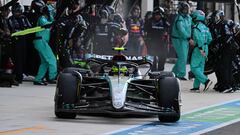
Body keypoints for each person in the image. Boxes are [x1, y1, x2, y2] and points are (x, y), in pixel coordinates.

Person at [33, 4, 57, 85]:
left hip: (41, 42)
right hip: (41, 41)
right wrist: (53, 22)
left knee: (45, 62)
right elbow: (47, 25)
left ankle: (38, 79)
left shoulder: (47, 19)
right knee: (52, 59)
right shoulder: (42, 18)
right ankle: (52, 78)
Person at [8, 2, 32, 83]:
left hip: (24, 40)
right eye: (16, 11)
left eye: (19, 11)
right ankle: (17, 76)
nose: (18, 13)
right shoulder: (10, 19)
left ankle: (21, 73)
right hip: (15, 41)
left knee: (23, 57)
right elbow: (12, 29)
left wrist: (24, 30)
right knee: (17, 58)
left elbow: (29, 27)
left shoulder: (24, 18)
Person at [189, 10, 212, 92]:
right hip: (206, 48)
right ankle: (196, 87)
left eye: (194, 16)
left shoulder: (196, 27)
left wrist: (200, 48)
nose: (192, 18)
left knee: (194, 67)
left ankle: (206, 81)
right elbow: (210, 39)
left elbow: (199, 39)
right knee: (200, 68)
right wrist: (204, 48)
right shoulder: (206, 28)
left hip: (199, 49)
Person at [171, 1, 192, 80]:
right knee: (182, 57)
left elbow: (191, 27)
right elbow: (181, 30)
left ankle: (173, 72)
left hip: (185, 40)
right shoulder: (179, 19)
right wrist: (188, 38)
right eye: (184, 9)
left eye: (187, 9)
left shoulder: (188, 18)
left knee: (182, 57)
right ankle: (180, 74)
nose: (186, 11)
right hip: (178, 39)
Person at [144, 7, 170, 71]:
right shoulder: (150, 21)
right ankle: (153, 71)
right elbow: (145, 30)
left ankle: (160, 71)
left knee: (162, 58)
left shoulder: (164, 21)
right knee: (153, 58)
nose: (157, 16)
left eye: (159, 14)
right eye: (156, 14)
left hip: (162, 43)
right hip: (152, 42)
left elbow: (169, 29)